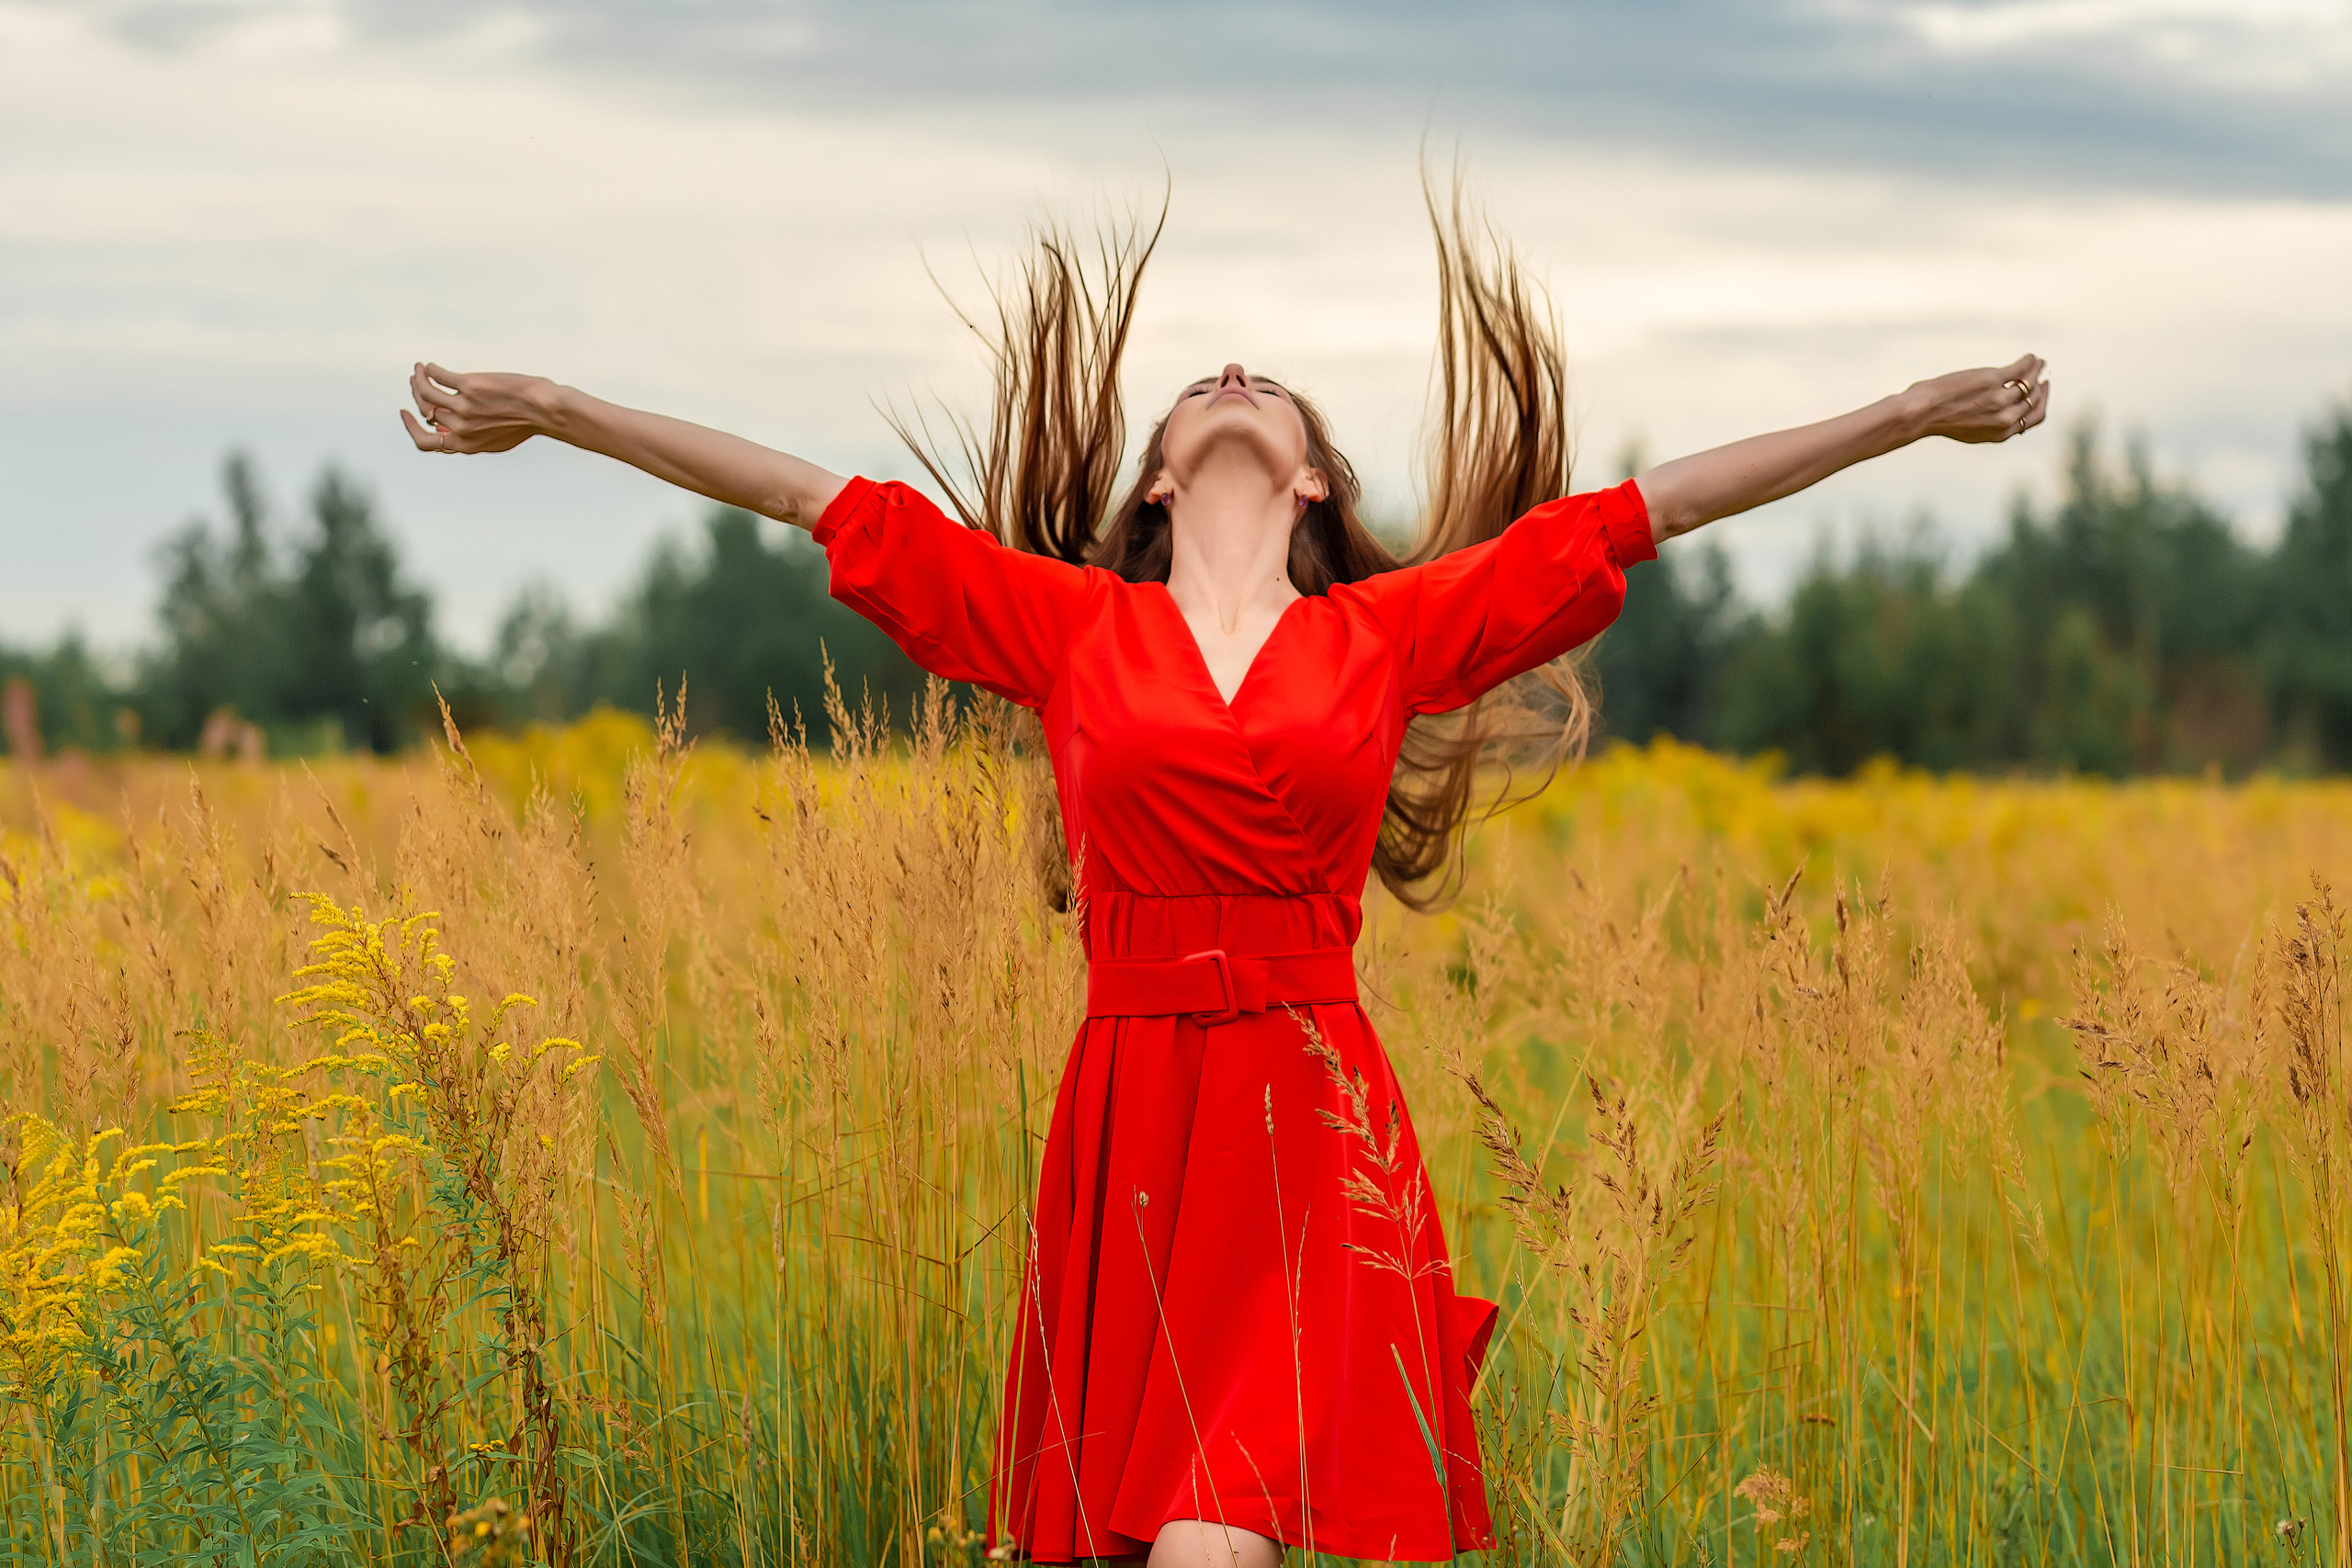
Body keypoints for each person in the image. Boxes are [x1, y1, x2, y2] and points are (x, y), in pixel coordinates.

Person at [401, 198, 2047, 1566]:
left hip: (1314, 1120)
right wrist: (558, 405)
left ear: (1314, 479)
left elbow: (1658, 506)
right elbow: (795, 492)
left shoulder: (1389, 636)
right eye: (1205, 384)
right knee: (1161, 1541)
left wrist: (1906, 415)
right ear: (1164, 480)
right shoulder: (1063, 625)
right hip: (1136, 1119)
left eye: (1266, 384)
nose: (1237, 376)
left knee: (1211, 1538)